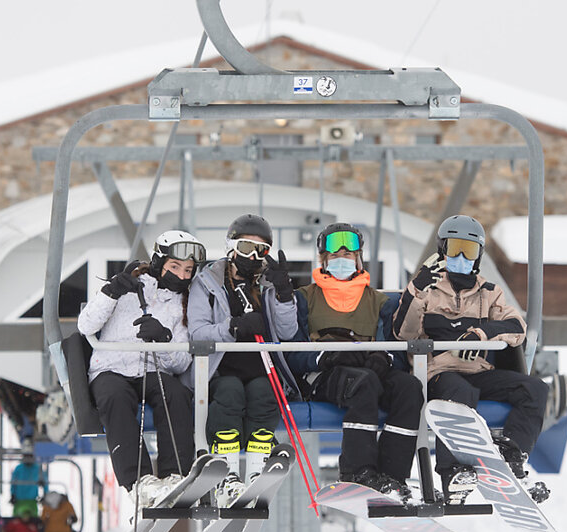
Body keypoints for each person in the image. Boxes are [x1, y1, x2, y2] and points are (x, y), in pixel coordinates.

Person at [393, 215, 549, 504]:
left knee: (535, 389)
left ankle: (511, 453)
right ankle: (452, 472)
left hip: (478, 370)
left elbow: (516, 327)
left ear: (479, 255)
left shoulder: (489, 292)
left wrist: (482, 333)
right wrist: (416, 290)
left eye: (470, 250)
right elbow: (403, 332)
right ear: (442, 251)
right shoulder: (427, 290)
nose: (462, 258)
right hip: (438, 373)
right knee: (460, 392)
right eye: (455, 249)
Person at [285, 223, 422, 501]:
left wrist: (383, 359)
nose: (342, 262)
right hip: (324, 375)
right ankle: (356, 471)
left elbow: (392, 349)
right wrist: (327, 356)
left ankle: (393, 475)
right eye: (335, 258)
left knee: (409, 387)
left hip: (367, 372)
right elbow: (292, 354)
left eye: (348, 257)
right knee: (364, 383)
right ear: (323, 260)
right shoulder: (304, 300)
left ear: (359, 260)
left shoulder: (380, 302)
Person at [77, 230, 203, 507]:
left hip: (151, 369)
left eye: (188, 270)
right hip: (110, 367)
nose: (182, 275)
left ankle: (175, 475)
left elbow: (181, 362)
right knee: (114, 398)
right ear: (159, 263)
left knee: (176, 395)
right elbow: (86, 326)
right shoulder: (127, 287)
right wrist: (110, 293)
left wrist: (165, 340)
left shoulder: (185, 304)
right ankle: (140, 482)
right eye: (175, 267)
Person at [187, 214, 298, 507]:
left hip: (262, 363)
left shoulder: (267, 284)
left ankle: (256, 471)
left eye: (260, 251)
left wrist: (285, 295)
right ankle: (228, 474)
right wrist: (233, 326)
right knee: (231, 392)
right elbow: (197, 332)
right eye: (246, 248)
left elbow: (288, 331)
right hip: (220, 367)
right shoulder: (207, 282)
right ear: (231, 247)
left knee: (265, 393)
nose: (252, 257)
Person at [9, 454, 45, 518]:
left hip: (32, 500)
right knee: (17, 520)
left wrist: (45, 494)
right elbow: (13, 483)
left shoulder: (37, 468)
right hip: (19, 500)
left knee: (33, 521)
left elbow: (44, 482)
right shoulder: (19, 468)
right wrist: (12, 494)